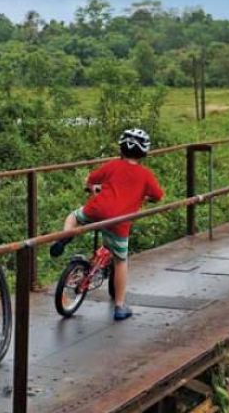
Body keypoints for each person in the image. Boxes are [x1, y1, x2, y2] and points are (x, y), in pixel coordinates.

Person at [49, 128, 164, 321]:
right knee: (120, 261)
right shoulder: (146, 175)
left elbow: (91, 179)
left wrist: (94, 188)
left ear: (121, 149)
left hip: (97, 209)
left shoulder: (113, 165)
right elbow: (158, 195)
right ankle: (119, 306)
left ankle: (66, 236)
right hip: (118, 222)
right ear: (144, 153)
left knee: (73, 217)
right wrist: (146, 197)